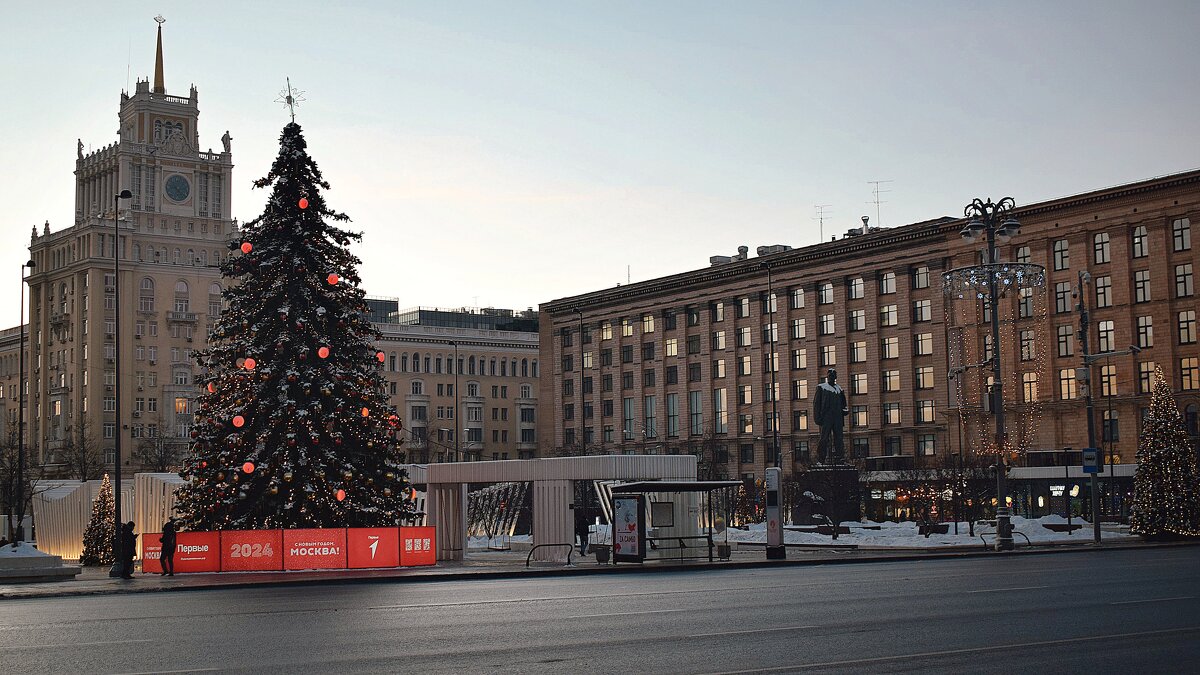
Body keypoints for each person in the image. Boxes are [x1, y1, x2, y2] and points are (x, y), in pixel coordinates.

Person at [813, 368, 849, 464]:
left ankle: (840, 458)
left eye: (833, 376)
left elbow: (844, 403)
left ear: (835, 377)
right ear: (827, 376)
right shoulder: (821, 387)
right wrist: (817, 418)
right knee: (824, 438)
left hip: (838, 418)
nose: (832, 377)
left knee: (839, 439)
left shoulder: (839, 389)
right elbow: (816, 404)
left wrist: (845, 410)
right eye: (830, 376)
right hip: (826, 417)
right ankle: (821, 459)